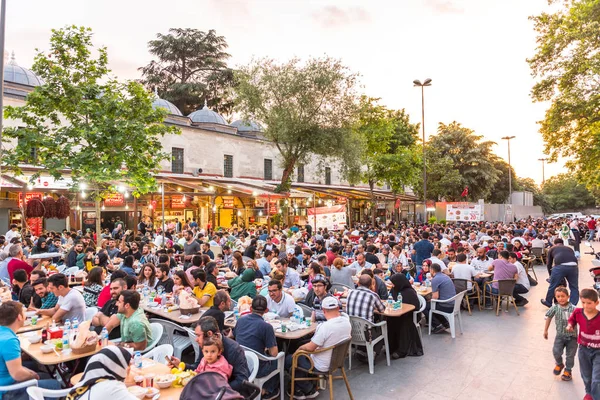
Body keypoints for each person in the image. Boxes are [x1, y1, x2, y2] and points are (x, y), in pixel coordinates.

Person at [285, 297, 351, 399]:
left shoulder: (324, 327)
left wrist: (298, 350)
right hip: (337, 361)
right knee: (301, 347)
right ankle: (304, 388)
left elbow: (310, 348)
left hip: (321, 365)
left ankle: (305, 388)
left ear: (323, 310)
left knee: (290, 359)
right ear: (338, 308)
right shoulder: (347, 322)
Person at [168, 316, 250, 394]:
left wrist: (217, 390)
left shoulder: (234, 349)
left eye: (198, 335)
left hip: (227, 392)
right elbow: (198, 367)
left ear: (210, 334)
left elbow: (241, 380)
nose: (196, 339)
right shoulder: (206, 345)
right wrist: (181, 365)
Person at [0, 301, 61, 400]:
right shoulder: (9, 341)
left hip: (4, 382)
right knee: (55, 384)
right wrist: (32, 376)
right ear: (19, 317)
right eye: (24, 313)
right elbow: (17, 374)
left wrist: (31, 373)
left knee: (40, 372)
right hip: (7, 391)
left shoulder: (3, 332)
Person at [233, 296, 280, 400]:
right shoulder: (266, 327)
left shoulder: (240, 320)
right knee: (279, 359)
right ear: (266, 311)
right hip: (257, 368)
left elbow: (236, 336)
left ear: (250, 309)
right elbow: (274, 353)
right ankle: (268, 390)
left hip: (240, 363)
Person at [567, 288, 600, 400]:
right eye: (583, 303)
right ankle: (589, 392)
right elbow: (572, 320)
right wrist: (570, 325)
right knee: (586, 374)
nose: (586, 306)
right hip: (583, 349)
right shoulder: (578, 312)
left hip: (598, 352)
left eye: (589, 303)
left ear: (597, 302)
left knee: (597, 379)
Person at [67, 345, 134, 400]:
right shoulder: (111, 387)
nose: (129, 369)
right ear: (117, 366)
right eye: (127, 365)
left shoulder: (88, 383)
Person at [543, 287, 577, 382]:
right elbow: (549, 317)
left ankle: (568, 370)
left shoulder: (574, 309)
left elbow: (581, 321)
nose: (561, 298)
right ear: (555, 297)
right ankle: (559, 364)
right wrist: (546, 330)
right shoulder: (554, 307)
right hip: (560, 336)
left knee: (570, 355)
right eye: (558, 296)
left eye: (563, 296)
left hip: (572, 337)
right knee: (556, 352)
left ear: (568, 296)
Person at [388, 273, 424, 359]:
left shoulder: (410, 292)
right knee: (388, 320)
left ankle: (402, 349)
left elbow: (416, 307)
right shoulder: (394, 290)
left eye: (394, 283)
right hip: (395, 313)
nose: (392, 285)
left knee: (402, 323)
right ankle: (391, 346)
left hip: (410, 315)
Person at [542, 238, 579, 307]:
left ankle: (548, 302)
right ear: (562, 243)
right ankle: (572, 305)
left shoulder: (552, 248)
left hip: (560, 267)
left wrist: (550, 275)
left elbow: (549, 263)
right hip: (573, 266)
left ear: (554, 243)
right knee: (574, 287)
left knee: (553, 285)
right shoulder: (569, 248)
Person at [425, 263, 455, 334]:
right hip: (452, 302)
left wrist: (430, 300)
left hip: (446, 305)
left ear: (432, 270)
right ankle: (444, 322)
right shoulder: (445, 276)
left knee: (424, 306)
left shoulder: (435, 279)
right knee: (431, 304)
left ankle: (437, 325)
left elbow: (435, 297)